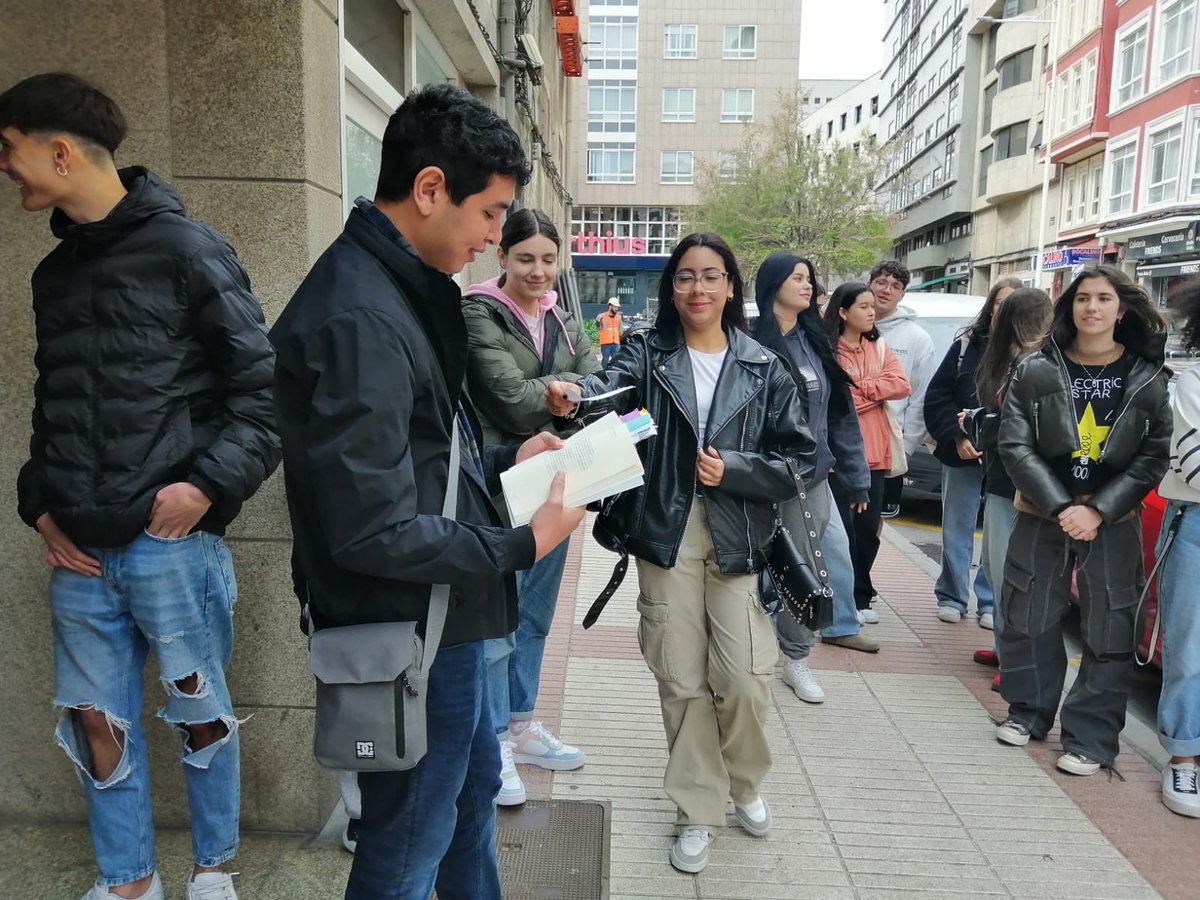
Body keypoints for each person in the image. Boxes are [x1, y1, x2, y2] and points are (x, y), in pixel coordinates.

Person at [268, 84, 584, 899]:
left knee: (466, 802)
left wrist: (511, 466)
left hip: (446, 618)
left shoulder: (399, 290)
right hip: (408, 629)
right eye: (492, 214)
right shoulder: (360, 315)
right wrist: (522, 542)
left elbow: (415, 455)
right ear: (431, 188)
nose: (493, 238)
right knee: (407, 842)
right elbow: (370, 525)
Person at [1, 73, 281, 900]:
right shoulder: (53, 276)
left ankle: (214, 870)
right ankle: (128, 881)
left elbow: (263, 397)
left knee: (200, 716)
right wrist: (38, 504)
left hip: (171, 547)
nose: (6, 170)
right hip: (80, 552)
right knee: (96, 719)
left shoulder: (190, 250)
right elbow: (52, 406)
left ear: (59, 151)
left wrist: (198, 492)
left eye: (9, 152)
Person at [545, 233, 814, 874]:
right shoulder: (646, 353)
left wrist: (738, 471)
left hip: (739, 537)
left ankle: (743, 783)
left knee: (746, 679)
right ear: (672, 287)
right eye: (685, 277)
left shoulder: (762, 366)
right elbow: (607, 389)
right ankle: (697, 808)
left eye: (711, 276)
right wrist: (574, 396)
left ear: (730, 287)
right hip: (665, 531)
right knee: (682, 677)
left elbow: (800, 460)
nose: (697, 288)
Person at [995, 265, 1171, 777]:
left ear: (1122, 308)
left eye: (1104, 298)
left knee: (1110, 626)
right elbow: (1015, 445)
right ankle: (1027, 712)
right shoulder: (1036, 369)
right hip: (1042, 512)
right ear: (1069, 306)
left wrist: (1097, 509)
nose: (1092, 308)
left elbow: (1152, 457)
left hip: (1112, 521)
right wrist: (1060, 506)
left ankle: (1090, 740)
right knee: (1028, 616)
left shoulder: (1150, 377)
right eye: (1082, 299)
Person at [462, 208, 597, 805]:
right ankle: (491, 741)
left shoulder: (561, 317)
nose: (538, 271)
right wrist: (560, 392)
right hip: (497, 479)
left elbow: (596, 375)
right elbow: (510, 401)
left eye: (548, 259)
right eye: (525, 259)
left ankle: (520, 722)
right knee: (496, 616)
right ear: (503, 257)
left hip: (555, 476)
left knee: (536, 612)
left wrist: (569, 389)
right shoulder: (477, 311)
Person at [752, 254, 877, 703]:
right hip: (752, 477)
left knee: (803, 566)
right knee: (747, 566)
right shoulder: (746, 340)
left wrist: (857, 477)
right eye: (798, 278)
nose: (808, 286)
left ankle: (796, 657)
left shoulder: (817, 342)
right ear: (772, 285)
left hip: (809, 479)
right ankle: (749, 654)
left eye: (810, 279)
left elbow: (841, 418)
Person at [962, 288, 1052, 691]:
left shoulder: (1033, 363)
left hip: (1018, 482)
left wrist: (979, 422)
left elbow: (1018, 427)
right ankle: (1005, 647)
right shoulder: (1021, 360)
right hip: (1005, 480)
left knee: (1012, 573)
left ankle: (1016, 660)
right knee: (1000, 569)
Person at [925, 277, 1022, 629]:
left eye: (1012, 303)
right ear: (991, 307)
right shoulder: (968, 344)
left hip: (1006, 460)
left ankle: (989, 600)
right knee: (957, 527)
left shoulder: (1033, 352)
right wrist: (955, 436)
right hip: (962, 452)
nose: (1004, 310)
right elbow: (937, 396)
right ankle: (951, 595)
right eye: (999, 302)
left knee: (997, 535)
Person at [823, 283, 911, 616]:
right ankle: (842, 598)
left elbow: (901, 385)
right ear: (843, 312)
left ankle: (861, 594)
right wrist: (871, 393)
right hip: (839, 456)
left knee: (868, 530)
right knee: (839, 532)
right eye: (863, 306)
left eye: (872, 306)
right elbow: (834, 401)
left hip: (876, 453)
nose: (871, 312)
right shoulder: (828, 350)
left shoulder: (879, 348)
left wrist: (861, 389)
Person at [1154, 280, 1200, 817]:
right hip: (1194, 525)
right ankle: (1183, 758)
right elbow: (1193, 463)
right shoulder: (1191, 386)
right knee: (1189, 648)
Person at [868, 261, 935, 518]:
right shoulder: (846, 327)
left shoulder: (917, 338)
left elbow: (920, 398)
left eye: (895, 286)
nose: (887, 290)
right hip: (846, 441)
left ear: (902, 294)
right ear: (869, 285)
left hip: (889, 446)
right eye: (881, 282)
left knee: (875, 523)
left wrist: (906, 448)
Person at [596, 297, 623, 365]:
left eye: (617, 307)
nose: (617, 309)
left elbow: (621, 331)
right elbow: (597, 329)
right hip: (606, 343)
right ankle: (603, 374)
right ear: (610, 306)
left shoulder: (619, 317)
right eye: (615, 307)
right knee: (605, 360)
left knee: (616, 361)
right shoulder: (601, 316)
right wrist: (598, 322)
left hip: (616, 343)